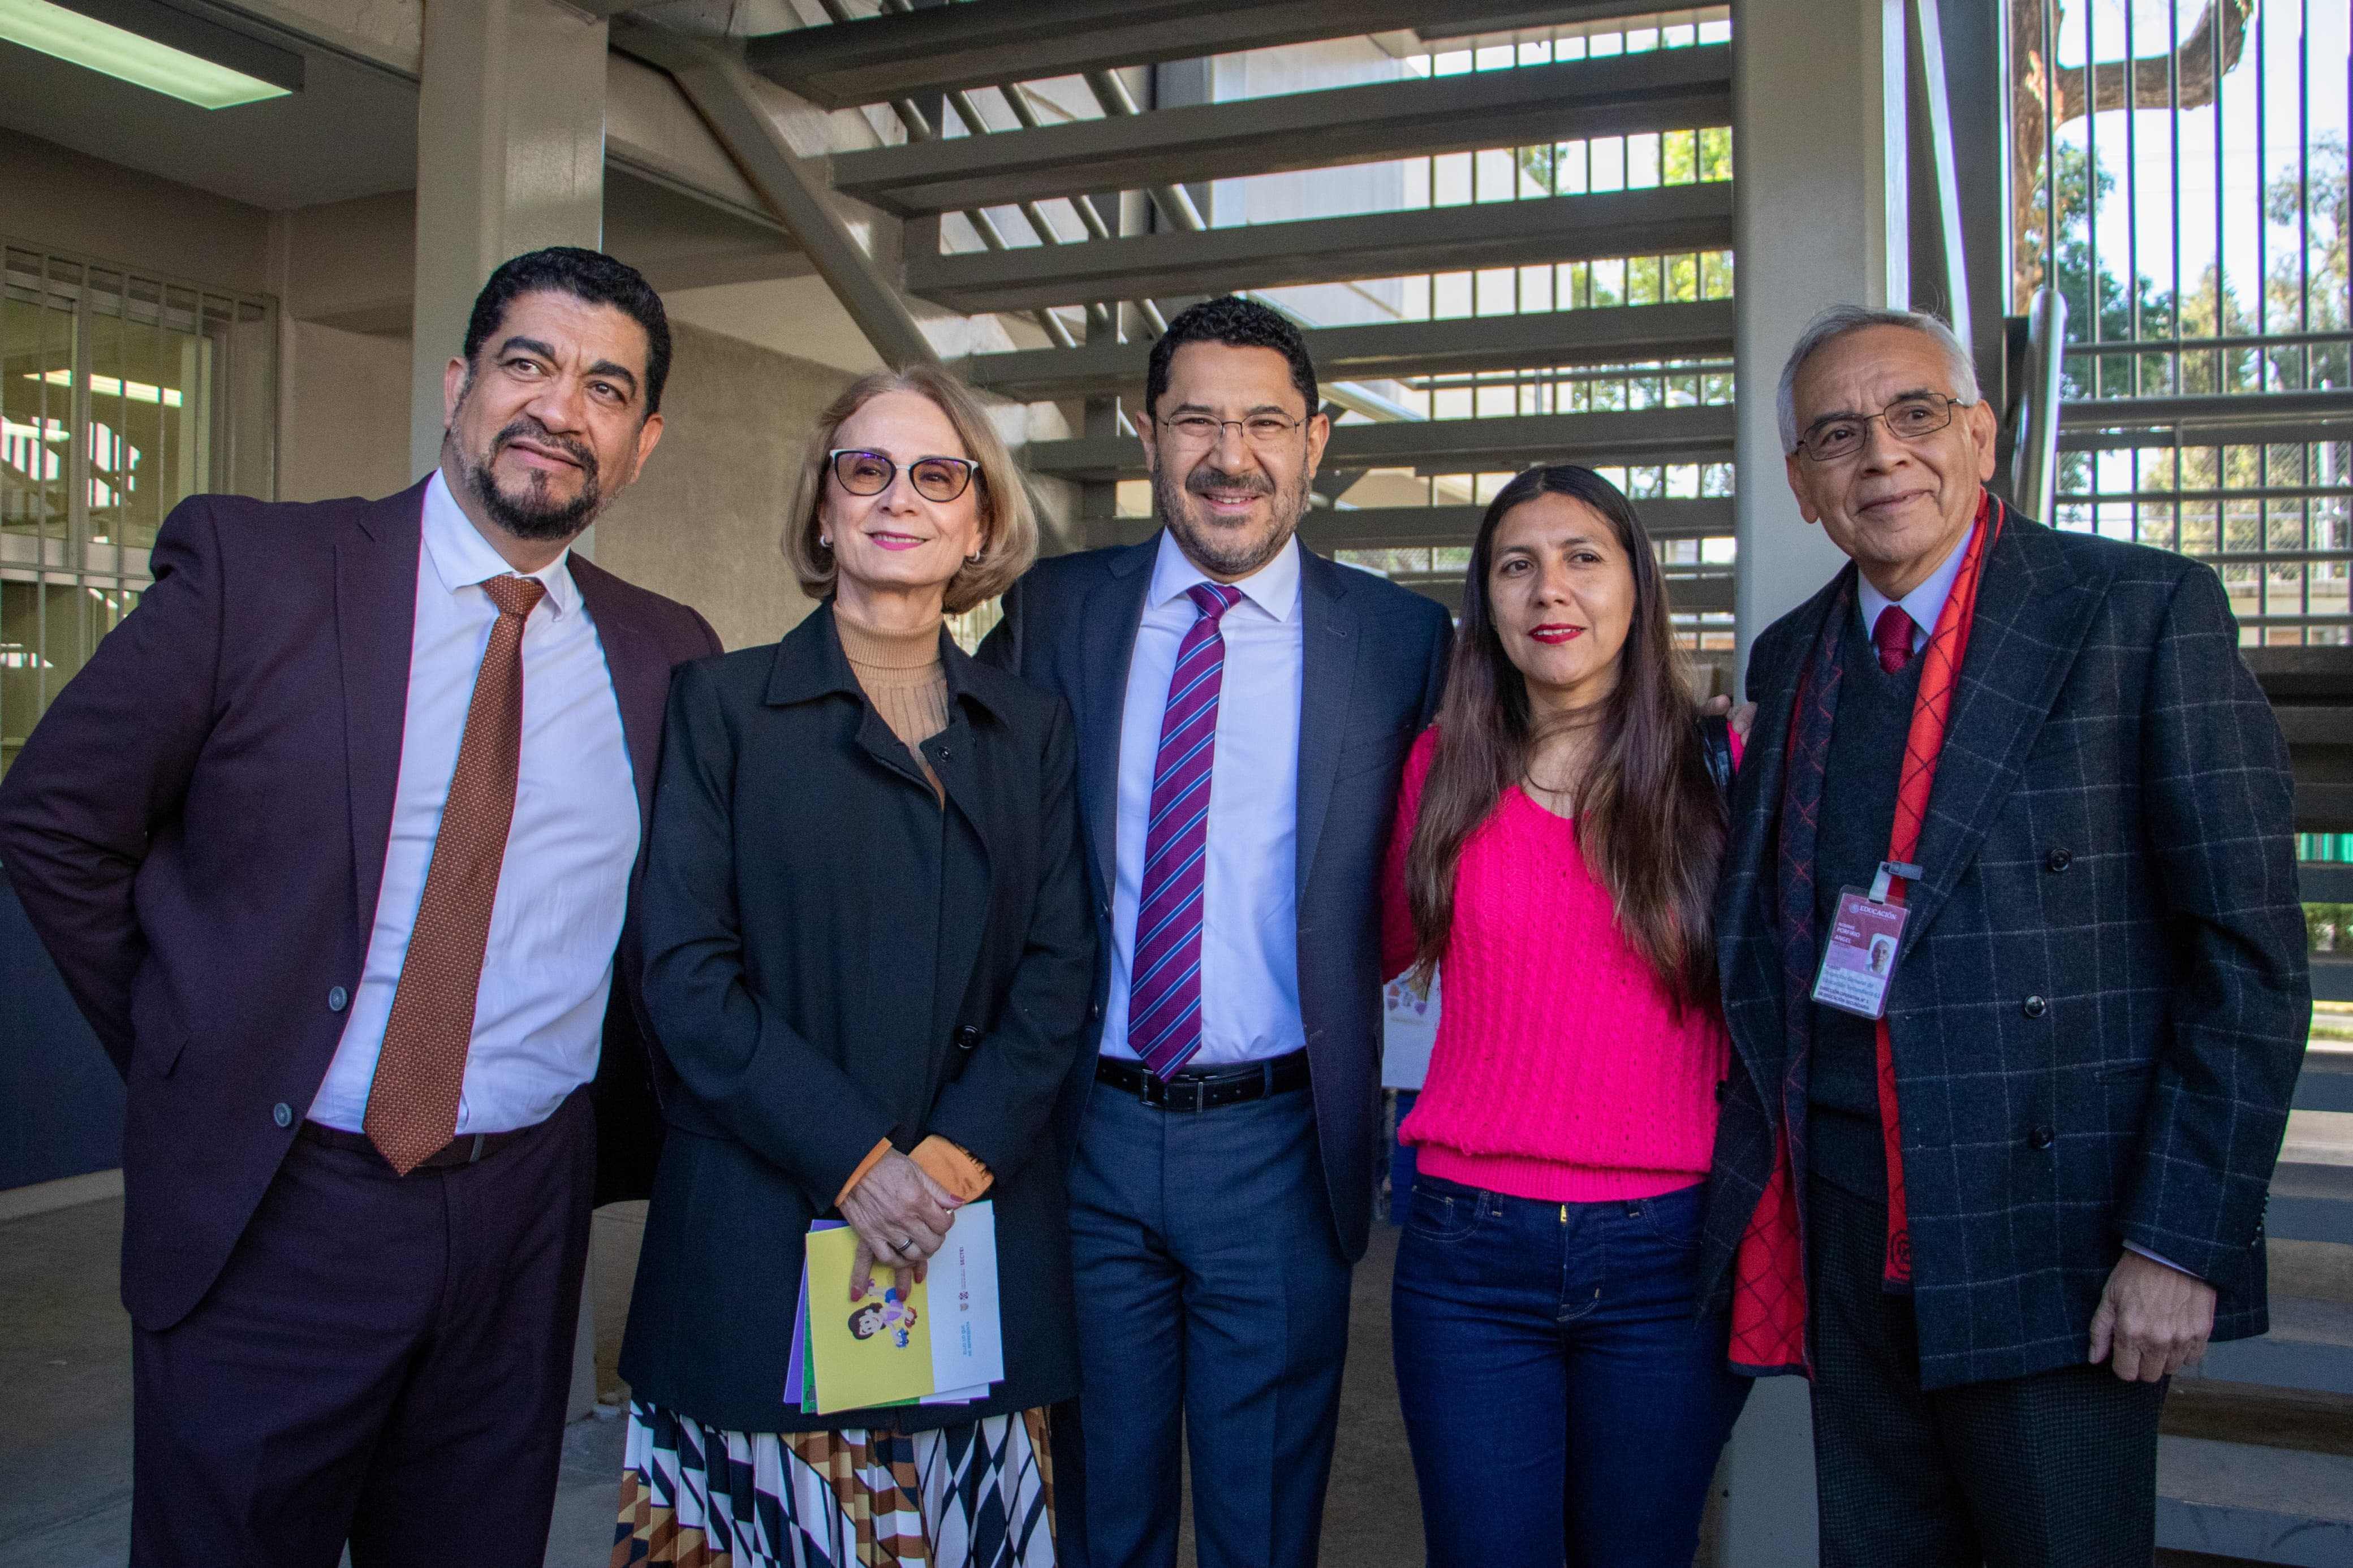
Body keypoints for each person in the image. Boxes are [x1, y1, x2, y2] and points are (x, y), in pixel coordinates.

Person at [0, 247, 717, 1565]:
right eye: (527, 364)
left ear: (642, 440)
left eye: (606, 388)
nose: (561, 408)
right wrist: (190, 1038)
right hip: (285, 1209)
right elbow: (54, 816)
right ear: (457, 386)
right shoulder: (259, 571)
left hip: (524, 1221)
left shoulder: (667, 652)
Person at [1702, 305, 2309, 1566]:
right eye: (1836, 433)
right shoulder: (1794, 655)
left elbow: (2245, 960)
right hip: (1852, 1228)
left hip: (2065, 1242)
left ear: (1979, 432)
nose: (1882, 455)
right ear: (1803, 486)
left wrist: (2176, 1241)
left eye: (1915, 412)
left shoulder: (2136, 614)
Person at [980, 295, 1453, 1568]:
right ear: (1147, 436)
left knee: (1262, 1522)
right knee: (1101, 1509)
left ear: (1316, 446)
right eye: (1195, 418)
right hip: (1085, 1135)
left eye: (1263, 423)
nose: (1228, 454)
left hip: (1282, 1145)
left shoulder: (1399, 641)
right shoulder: (1052, 614)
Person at [611, 364, 1094, 1568]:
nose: (899, 498)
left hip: (963, 1236)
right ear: (823, 511)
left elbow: (1057, 970)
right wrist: (856, 1159)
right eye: (864, 469)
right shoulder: (719, 707)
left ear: (979, 520)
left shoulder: (1029, 726)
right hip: (755, 1239)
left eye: (938, 475)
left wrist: (940, 1164)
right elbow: (685, 973)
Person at [1377, 465, 1751, 1568]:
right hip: (1465, 1249)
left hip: (1668, 1255)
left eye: (1583, 556)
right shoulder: (1439, 769)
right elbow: (1382, 949)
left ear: (1636, 584)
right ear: (1485, 602)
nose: (1552, 588)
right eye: (1516, 563)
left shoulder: (1721, 768)